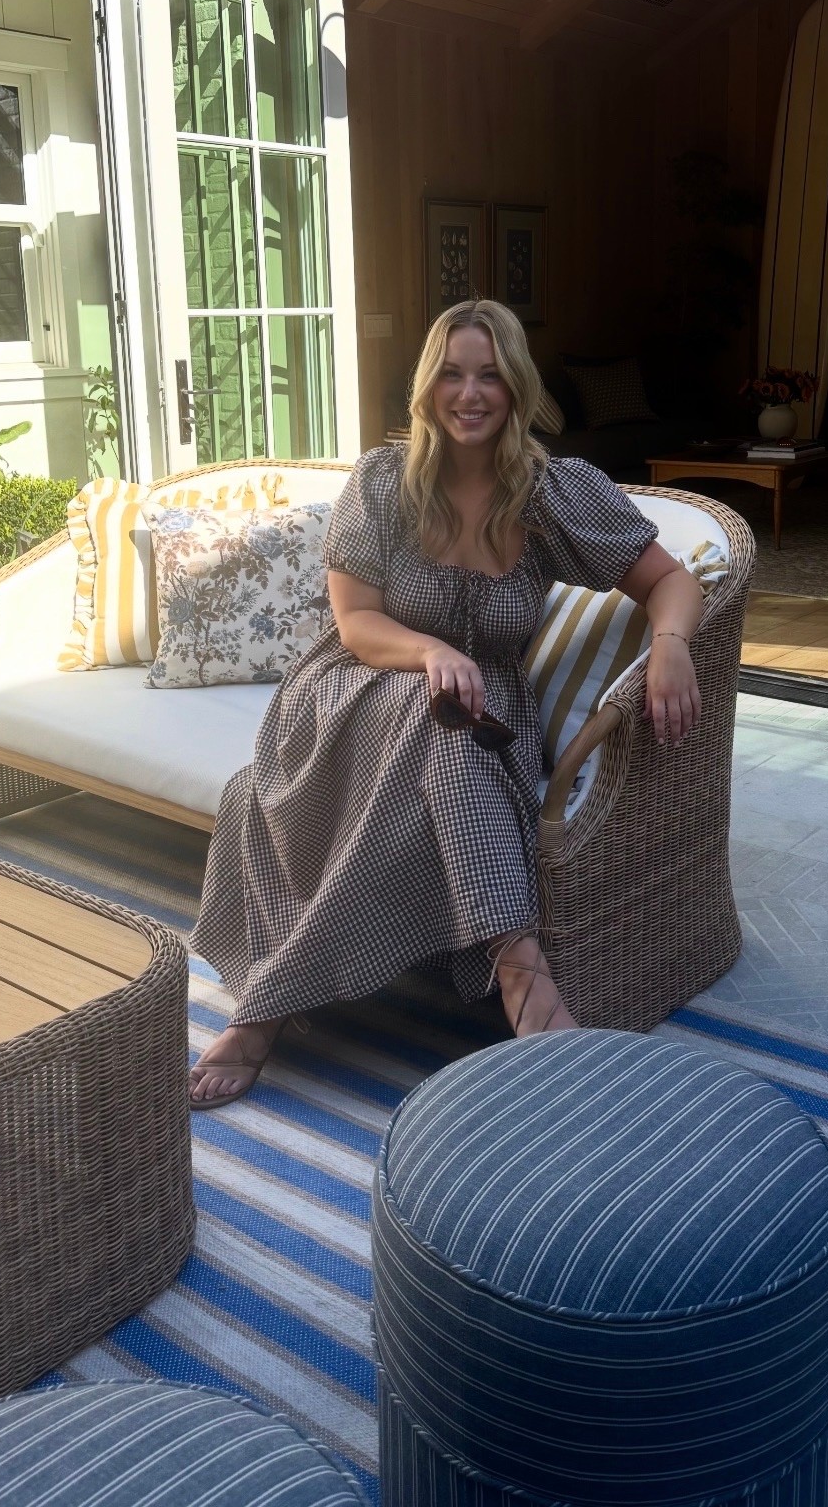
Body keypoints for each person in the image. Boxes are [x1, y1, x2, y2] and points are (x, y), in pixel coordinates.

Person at [189, 299, 706, 1106]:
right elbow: (356, 623)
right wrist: (432, 651)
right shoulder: (384, 484)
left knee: (453, 732)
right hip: (354, 694)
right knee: (439, 722)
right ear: (428, 387)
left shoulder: (552, 496)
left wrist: (670, 645)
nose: (470, 394)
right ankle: (527, 991)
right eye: (453, 375)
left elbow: (672, 581)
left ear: (518, 388)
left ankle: (267, 1012)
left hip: (480, 711)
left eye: (491, 375)